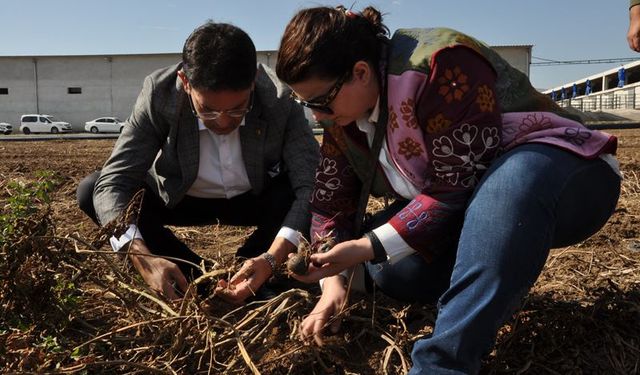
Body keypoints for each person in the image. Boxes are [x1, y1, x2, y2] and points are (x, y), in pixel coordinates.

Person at [275, 5, 621, 374]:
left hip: (569, 177)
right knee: (395, 272)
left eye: (319, 101)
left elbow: (455, 186)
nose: (316, 115)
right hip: (475, 201)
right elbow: (331, 202)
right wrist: (333, 285)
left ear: (360, 72)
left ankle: (443, 364)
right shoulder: (343, 117)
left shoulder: (440, 65)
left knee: (509, 187)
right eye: (305, 103)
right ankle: (496, 277)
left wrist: (366, 246)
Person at [76, 22, 319, 301]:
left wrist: (272, 259)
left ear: (253, 81)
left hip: (253, 198)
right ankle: (193, 276)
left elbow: (311, 183)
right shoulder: (160, 95)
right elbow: (114, 183)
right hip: (179, 198)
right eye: (209, 111)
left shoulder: (279, 99)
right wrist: (142, 258)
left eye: (238, 109)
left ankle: (250, 270)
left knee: (307, 193)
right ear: (186, 82)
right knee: (91, 190)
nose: (225, 122)